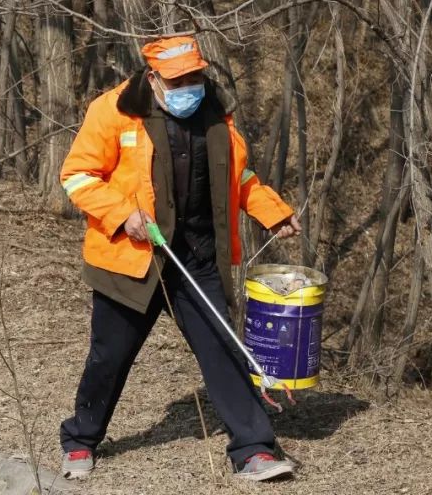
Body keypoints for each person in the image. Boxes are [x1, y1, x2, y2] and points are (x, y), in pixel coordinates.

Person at [58, 35, 302, 482]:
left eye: (194, 76)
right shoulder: (114, 111)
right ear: (153, 78)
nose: (188, 85)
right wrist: (121, 214)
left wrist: (271, 211)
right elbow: (78, 175)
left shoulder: (215, 115)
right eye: (177, 79)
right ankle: (80, 439)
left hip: (197, 257)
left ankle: (254, 449)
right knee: (109, 357)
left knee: (222, 348)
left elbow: (239, 176)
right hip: (131, 260)